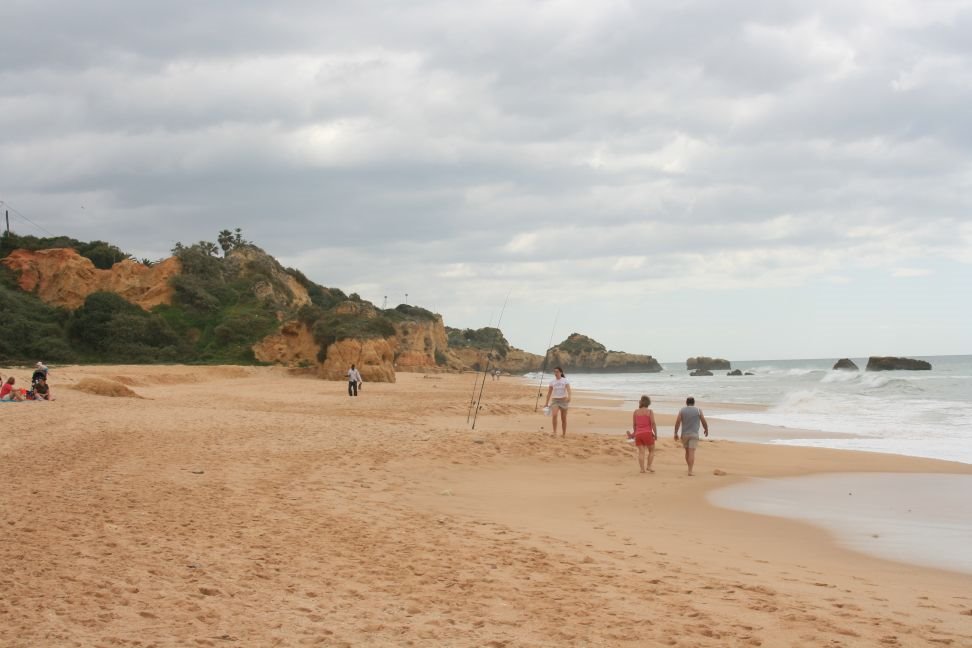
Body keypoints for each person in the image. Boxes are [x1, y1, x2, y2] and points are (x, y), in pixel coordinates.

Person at [674, 396, 709, 476]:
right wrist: (706, 429)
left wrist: (675, 433)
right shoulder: (698, 410)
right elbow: (703, 420)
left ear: (686, 402)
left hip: (685, 434)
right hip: (694, 434)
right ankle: (690, 470)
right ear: (694, 403)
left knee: (687, 452)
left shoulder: (682, 410)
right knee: (692, 452)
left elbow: (678, 422)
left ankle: (689, 468)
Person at [627, 395, 658, 473]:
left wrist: (634, 434)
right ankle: (649, 466)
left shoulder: (635, 412)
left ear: (641, 402)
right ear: (648, 403)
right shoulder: (650, 411)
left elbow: (634, 425)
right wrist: (655, 434)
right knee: (652, 450)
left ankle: (642, 469)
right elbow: (653, 423)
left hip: (638, 434)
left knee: (641, 452)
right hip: (647, 433)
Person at [543, 367, 571, 437]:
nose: (556, 373)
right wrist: (546, 403)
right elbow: (549, 393)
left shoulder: (565, 380)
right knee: (554, 415)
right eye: (555, 372)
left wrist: (569, 397)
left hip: (563, 401)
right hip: (555, 400)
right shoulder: (552, 382)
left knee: (563, 418)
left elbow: (568, 390)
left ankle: (564, 434)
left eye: (557, 372)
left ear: (561, 372)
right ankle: (554, 432)